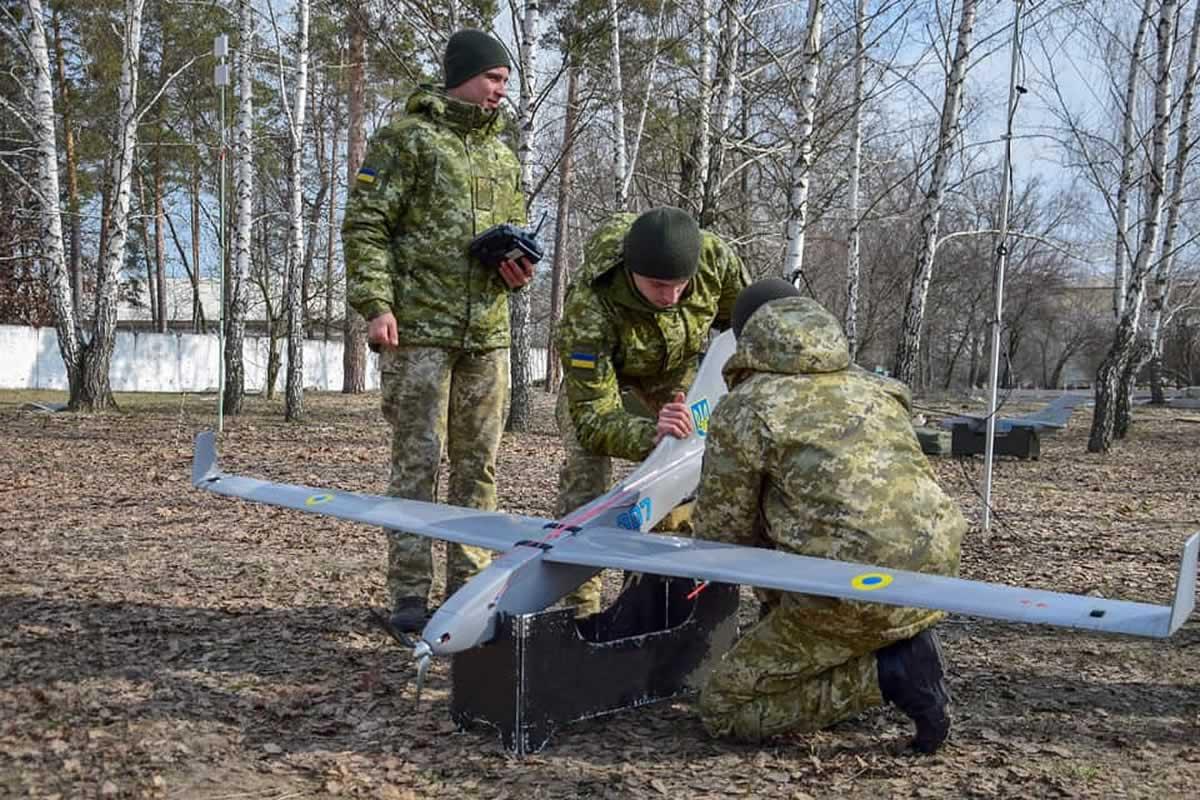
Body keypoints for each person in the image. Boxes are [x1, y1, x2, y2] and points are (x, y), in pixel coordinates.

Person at [690, 278, 967, 754]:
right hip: (933, 576)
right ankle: (891, 646)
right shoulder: (879, 388)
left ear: (745, 340)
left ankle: (890, 672)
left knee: (723, 708)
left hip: (847, 592)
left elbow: (723, 536)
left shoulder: (747, 408)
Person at [341, 29, 534, 633]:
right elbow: (365, 226)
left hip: (487, 333)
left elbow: (517, 229)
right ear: (463, 75)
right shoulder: (407, 140)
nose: (502, 91)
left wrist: (518, 266)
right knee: (416, 464)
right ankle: (407, 598)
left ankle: (470, 592)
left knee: (480, 468)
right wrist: (376, 305)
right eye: (493, 79)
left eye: (506, 81)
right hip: (418, 331)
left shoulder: (503, 153)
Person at [553, 207, 748, 616]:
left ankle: (660, 597)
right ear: (631, 271)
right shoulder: (590, 306)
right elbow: (592, 417)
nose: (671, 297)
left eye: (681, 285)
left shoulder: (714, 261)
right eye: (659, 285)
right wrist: (648, 435)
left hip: (674, 373)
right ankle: (578, 611)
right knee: (586, 486)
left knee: (681, 477)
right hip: (605, 383)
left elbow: (748, 327)